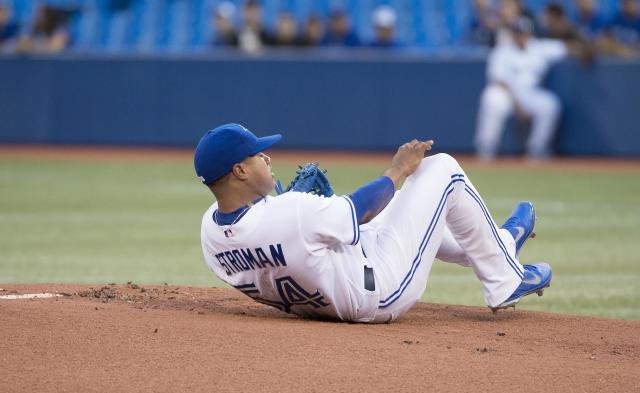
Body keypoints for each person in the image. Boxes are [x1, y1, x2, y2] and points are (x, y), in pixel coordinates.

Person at [195, 123, 552, 323]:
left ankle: (499, 246)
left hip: (327, 290)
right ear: (239, 170)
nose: (267, 156)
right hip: (378, 291)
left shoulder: (210, 233)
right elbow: (360, 209)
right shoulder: (289, 212)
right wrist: (399, 167)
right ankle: (505, 279)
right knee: (442, 171)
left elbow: (276, 236)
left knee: (406, 208)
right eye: (257, 154)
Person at [474, 16, 568, 160]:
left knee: (550, 104)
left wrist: (583, 49)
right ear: (513, 34)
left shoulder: (539, 48)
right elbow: (498, 80)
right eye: (518, 32)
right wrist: (517, 105)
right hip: (507, 95)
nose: (521, 36)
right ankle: (486, 148)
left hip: (530, 95)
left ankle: (537, 149)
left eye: (524, 33)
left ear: (530, 33)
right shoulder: (502, 50)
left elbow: (565, 48)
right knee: (491, 97)